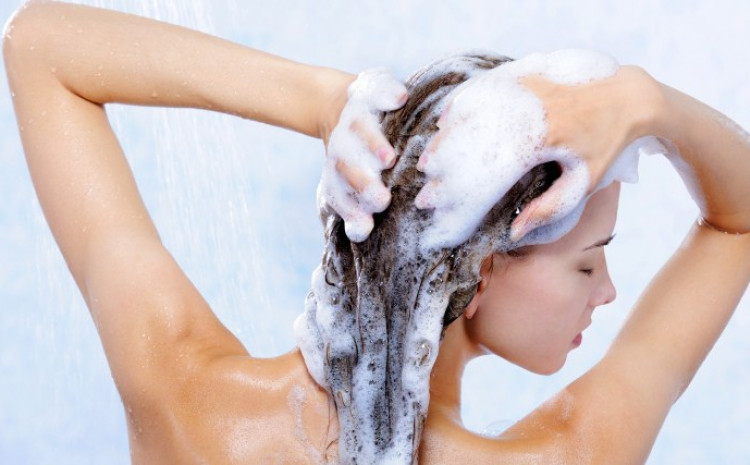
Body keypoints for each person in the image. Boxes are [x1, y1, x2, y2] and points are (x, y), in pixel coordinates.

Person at [4, 2, 750, 465]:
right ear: (475, 273)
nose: (608, 291)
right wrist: (645, 101)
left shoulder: (184, 396)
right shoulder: (571, 454)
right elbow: (739, 221)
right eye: (587, 264)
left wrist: (325, 100)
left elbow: (40, 46)